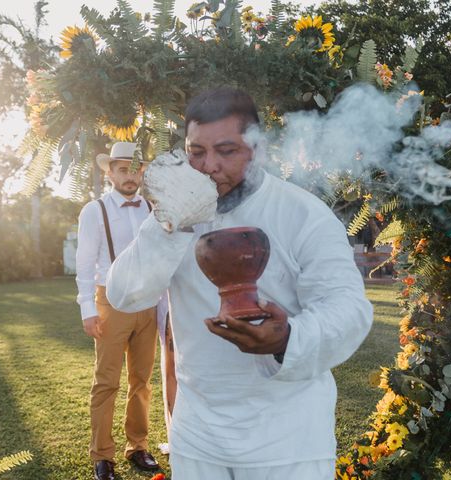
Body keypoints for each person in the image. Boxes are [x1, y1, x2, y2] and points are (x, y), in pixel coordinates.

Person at [106, 88, 374, 479]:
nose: (209, 166)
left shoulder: (304, 215)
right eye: (197, 152)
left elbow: (349, 310)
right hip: (198, 434)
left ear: (257, 149)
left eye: (226, 151)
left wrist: (288, 339)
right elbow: (125, 294)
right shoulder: (177, 212)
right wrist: (171, 226)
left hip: (287, 438)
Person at [75, 142, 164, 480]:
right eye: (122, 169)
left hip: (148, 301)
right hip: (110, 302)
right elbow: (84, 263)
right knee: (106, 381)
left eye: (135, 169)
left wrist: (164, 308)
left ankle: (138, 446)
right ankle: (102, 455)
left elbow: (160, 258)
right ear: (109, 172)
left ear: (142, 172)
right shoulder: (94, 210)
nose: (130, 175)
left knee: (141, 381)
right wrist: (87, 308)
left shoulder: (153, 208)